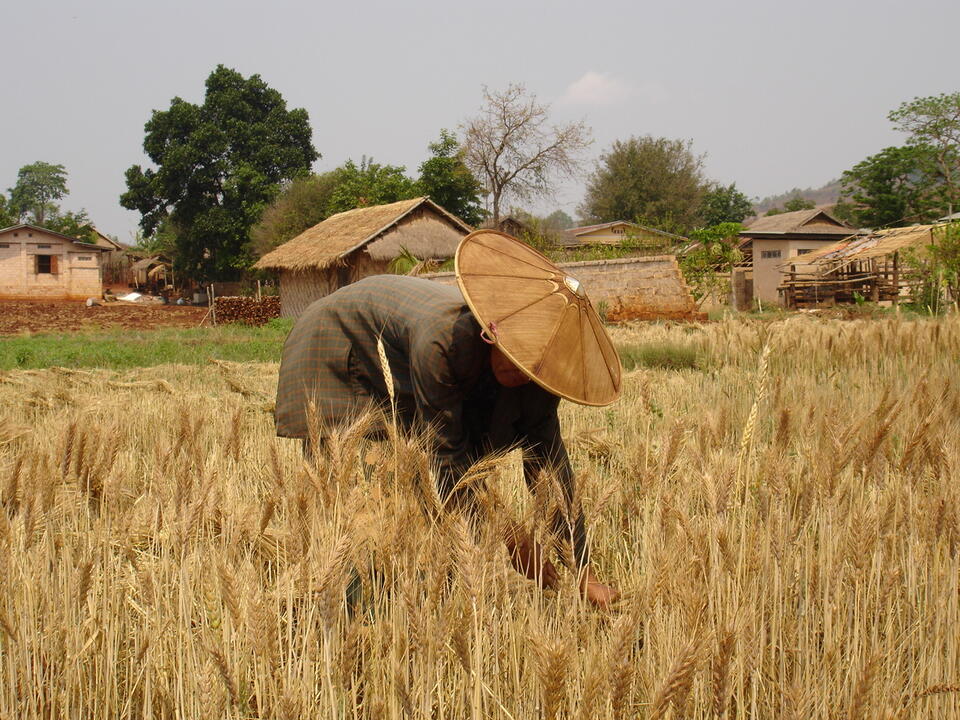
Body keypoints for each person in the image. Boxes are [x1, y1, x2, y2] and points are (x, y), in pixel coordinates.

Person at [274, 230, 621, 608]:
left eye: (534, 367)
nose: (522, 373)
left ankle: (419, 603)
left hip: (402, 363)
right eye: (516, 356)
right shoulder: (442, 343)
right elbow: (448, 461)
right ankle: (354, 614)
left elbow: (551, 472)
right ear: (493, 332)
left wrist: (583, 572)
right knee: (368, 501)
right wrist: (510, 536)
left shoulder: (540, 376)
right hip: (339, 347)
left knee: (434, 506)